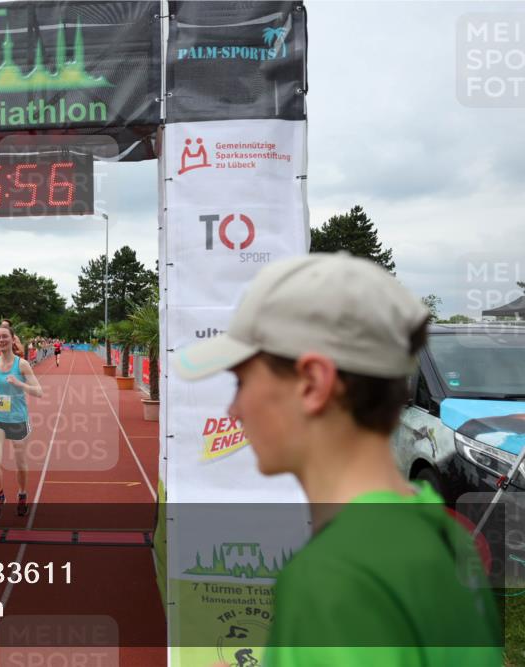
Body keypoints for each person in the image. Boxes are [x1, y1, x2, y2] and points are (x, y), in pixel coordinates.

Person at [175, 253, 502, 666]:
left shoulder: (334, 579)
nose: (233, 410)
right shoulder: (445, 536)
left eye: (242, 382)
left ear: (313, 384)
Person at [0, 324, 43, 519]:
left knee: (20, 463)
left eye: (5, 336)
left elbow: (38, 391)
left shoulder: (22, 365)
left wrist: (20, 383)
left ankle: (22, 495)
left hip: (17, 419)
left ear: (13, 339)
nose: (1, 340)